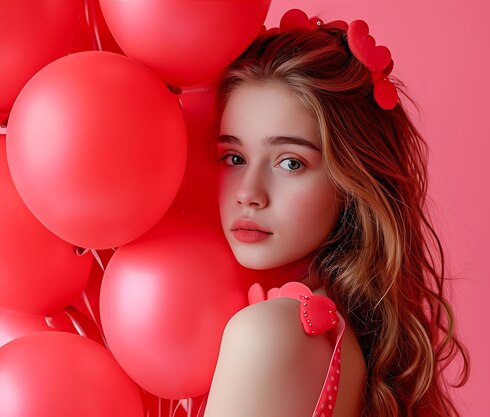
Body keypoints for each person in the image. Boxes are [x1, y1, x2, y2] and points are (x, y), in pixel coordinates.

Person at [201, 11, 470, 417]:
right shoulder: (337, 332)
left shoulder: (268, 333)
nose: (248, 194)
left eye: (290, 162)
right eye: (234, 157)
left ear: (350, 182)